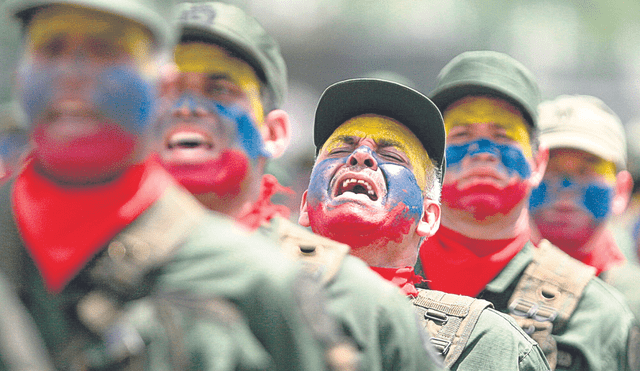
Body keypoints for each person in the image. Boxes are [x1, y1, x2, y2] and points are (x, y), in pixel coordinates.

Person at [0, 0, 337, 369]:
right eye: (52, 49)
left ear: (162, 87)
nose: (72, 72)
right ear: (19, 78)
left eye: (106, 50)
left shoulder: (258, 286)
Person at [151, 3, 445, 370]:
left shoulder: (362, 307)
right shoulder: (70, 262)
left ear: (274, 134)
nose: (187, 106)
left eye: (220, 89)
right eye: (166, 88)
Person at [299, 78, 551, 371]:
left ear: (429, 217)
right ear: (305, 205)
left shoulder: (489, 347)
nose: (361, 156)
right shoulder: (253, 299)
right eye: (341, 151)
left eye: (392, 155)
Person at [417, 50, 640, 370]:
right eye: (461, 134)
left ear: (537, 162)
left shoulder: (596, 315)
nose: (482, 152)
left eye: (502, 135)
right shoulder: (378, 279)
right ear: (430, 158)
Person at [530, 95, 640, 322]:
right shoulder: (487, 283)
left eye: (586, 170)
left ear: (621, 190)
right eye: (550, 168)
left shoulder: (633, 301)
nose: (566, 188)